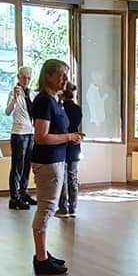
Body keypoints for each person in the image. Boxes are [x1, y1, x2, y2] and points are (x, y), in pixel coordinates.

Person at [30, 59, 83, 276]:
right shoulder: (44, 101)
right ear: (48, 76)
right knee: (47, 208)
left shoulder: (54, 100)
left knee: (48, 207)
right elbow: (41, 137)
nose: (65, 80)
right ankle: (41, 259)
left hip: (56, 159)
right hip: (47, 161)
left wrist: (69, 137)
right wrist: (69, 137)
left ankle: (43, 254)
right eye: (61, 75)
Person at [5, 66, 37, 210]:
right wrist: (15, 99)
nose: (26, 80)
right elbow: (7, 112)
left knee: (27, 165)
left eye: (29, 78)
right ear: (18, 77)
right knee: (17, 166)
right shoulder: (14, 92)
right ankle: (14, 197)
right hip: (19, 133)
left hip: (30, 132)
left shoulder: (31, 93)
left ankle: (24, 193)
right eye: (24, 77)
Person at [57, 81, 82, 218]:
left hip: (62, 143)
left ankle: (63, 208)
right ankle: (73, 208)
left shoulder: (60, 109)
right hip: (75, 145)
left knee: (62, 176)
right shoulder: (77, 109)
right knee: (73, 176)